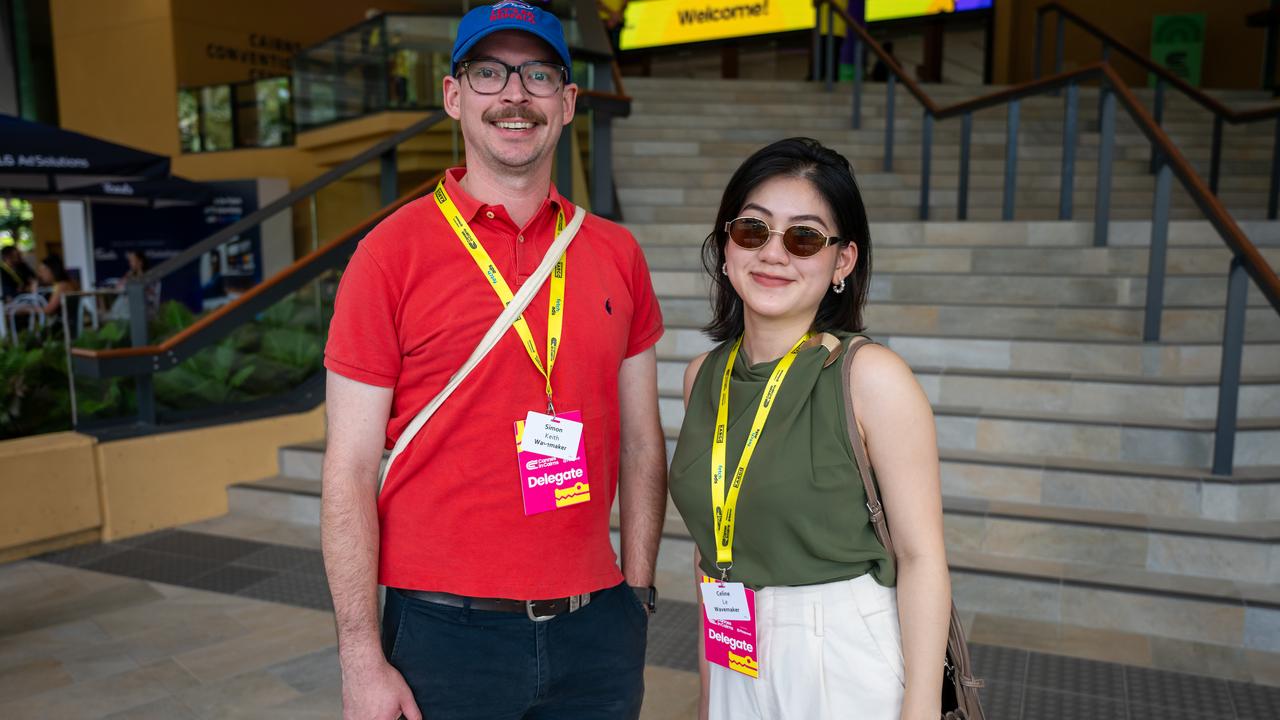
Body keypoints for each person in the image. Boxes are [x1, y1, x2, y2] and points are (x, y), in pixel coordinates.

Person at [321, 3, 668, 720]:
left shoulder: (616, 253)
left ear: (568, 103)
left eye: (538, 73)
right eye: (489, 72)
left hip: (596, 627)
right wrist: (360, 658)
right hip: (444, 635)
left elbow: (642, 440)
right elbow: (349, 468)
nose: (515, 94)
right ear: (454, 96)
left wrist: (635, 592)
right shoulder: (388, 255)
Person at [668, 137, 951, 720]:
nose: (773, 254)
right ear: (727, 243)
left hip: (842, 654)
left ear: (841, 260)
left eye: (803, 237)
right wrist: (708, 695)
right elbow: (709, 552)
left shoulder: (870, 377)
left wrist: (919, 707)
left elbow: (922, 558)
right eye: (753, 230)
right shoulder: (704, 376)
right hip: (735, 650)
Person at [36, 253, 80, 321]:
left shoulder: (62, 285)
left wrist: (24, 310)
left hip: (68, 324)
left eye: (42, 271)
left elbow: (49, 310)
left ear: (52, 270)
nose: (40, 275)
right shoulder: (63, 283)